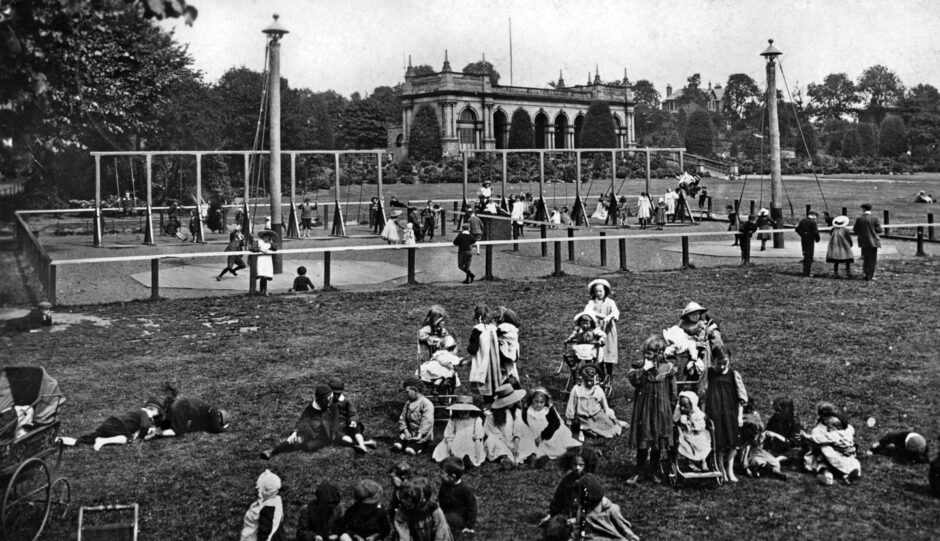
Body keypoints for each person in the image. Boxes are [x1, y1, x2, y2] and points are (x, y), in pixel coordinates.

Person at [625, 335, 677, 485]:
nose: (645, 355)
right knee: (644, 437)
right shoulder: (640, 366)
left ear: (659, 353)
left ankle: (653, 471)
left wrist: (673, 405)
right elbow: (634, 380)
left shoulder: (667, 367)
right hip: (645, 408)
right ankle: (639, 471)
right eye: (645, 352)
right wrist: (644, 369)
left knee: (658, 440)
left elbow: (672, 389)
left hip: (661, 408)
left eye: (649, 353)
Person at [698, 346, 748, 483]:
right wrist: (703, 414)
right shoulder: (708, 373)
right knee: (719, 442)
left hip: (730, 412)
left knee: (732, 442)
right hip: (714, 411)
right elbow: (702, 395)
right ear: (713, 361)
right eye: (718, 363)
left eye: (724, 363)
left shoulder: (733, 375)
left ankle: (730, 469)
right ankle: (720, 467)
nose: (721, 366)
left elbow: (741, 397)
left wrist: (739, 416)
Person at [260, 384, 339, 459]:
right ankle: (273, 451)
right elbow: (303, 420)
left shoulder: (332, 407)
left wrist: (333, 434)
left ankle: (294, 445)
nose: (330, 401)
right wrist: (295, 432)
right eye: (329, 399)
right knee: (297, 439)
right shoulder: (311, 408)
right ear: (322, 399)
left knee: (310, 446)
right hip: (311, 431)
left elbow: (335, 422)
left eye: (331, 399)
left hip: (323, 435)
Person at [59, 399, 164, 451]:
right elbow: (144, 426)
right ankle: (102, 441)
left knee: (88, 438)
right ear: (153, 409)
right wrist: (140, 439)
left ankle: (60, 440)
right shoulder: (145, 413)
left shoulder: (136, 412)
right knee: (125, 439)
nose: (155, 416)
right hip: (120, 425)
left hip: (110, 422)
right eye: (157, 413)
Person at [802, 403, 860, 485]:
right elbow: (816, 442)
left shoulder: (840, 425)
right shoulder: (818, 430)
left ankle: (844, 475)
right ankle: (833, 477)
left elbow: (849, 436)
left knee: (847, 462)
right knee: (825, 454)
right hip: (826, 456)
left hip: (842, 454)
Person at [521, 387, 580, 464]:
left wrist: (542, 436)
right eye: (536, 401)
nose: (539, 405)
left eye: (541, 402)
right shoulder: (527, 410)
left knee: (558, 447)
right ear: (532, 400)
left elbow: (555, 424)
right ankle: (536, 456)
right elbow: (524, 424)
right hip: (533, 435)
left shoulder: (548, 409)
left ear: (545, 402)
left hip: (550, 434)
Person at [573, 474, 640, 541]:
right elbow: (578, 529)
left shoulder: (611, 509)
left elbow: (625, 529)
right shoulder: (582, 509)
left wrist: (633, 538)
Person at [566, 364, 622, 440]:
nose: (589, 383)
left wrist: (614, 419)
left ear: (595, 379)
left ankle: (589, 430)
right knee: (583, 425)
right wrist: (569, 422)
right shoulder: (577, 389)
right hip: (583, 418)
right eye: (586, 381)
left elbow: (606, 408)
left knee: (611, 428)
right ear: (582, 379)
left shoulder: (598, 390)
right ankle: (585, 429)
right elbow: (571, 407)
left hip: (597, 416)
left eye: (591, 381)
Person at [484, 383, 534, 468]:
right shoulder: (491, 416)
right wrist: (509, 446)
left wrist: (515, 445)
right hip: (502, 441)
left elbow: (518, 429)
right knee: (492, 441)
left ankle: (531, 457)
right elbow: (495, 434)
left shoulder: (517, 412)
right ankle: (505, 459)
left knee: (527, 434)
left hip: (515, 440)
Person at [155, 383, 229, 437]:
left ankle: (154, 429)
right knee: (178, 432)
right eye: (219, 421)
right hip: (182, 407)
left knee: (168, 424)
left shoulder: (206, 415)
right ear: (220, 416)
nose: (217, 421)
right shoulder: (214, 411)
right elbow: (216, 428)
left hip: (180, 405)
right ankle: (155, 432)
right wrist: (224, 428)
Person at [582, 279, 619, 384]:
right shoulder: (591, 303)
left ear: (605, 291)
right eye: (596, 291)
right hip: (596, 331)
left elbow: (615, 312)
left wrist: (610, 317)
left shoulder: (610, 302)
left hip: (608, 331)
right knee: (598, 354)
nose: (599, 293)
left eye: (601, 291)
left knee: (609, 353)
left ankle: (610, 377)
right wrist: (600, 316)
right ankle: (601, 376)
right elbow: (587, 312)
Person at [327, 377, 377, 454]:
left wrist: (353, 420)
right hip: (337, 427)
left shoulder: (346, 401)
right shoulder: (328, 402)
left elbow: (353, 413)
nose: (336, 396)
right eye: (334, 393)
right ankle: (364, 444)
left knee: (356, 429)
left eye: (338, 393)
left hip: (347, 424)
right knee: (341, 437)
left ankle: (361, 445)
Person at [432, 396, 485, 468]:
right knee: (444, 448)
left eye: (466, 411)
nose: (463, 413)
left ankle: (468, 461)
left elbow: (478, 436)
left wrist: (478, 454)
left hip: (471, 440)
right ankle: (453, 459)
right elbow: (449, 434)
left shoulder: (476, 419)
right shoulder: (454, 419)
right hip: (456, 439)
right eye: (461, 411)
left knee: (470, 449)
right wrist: (450, 449)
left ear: (471, 410)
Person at [467, 304, 503, 397]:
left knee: (485, 383)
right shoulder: (493, 328)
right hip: (494, 362)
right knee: (494, 382)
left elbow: (473, 349)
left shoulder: (477, 329)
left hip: (484, 362)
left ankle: (487, 403)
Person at [437, 457, 478, 539]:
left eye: (442, 473)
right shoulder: (444, 486)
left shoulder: (465, 489)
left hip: (459, 516)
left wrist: (469, 526)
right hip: (446, 512)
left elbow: (472, 508)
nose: (439, 475)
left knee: (448, 521)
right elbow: (440, 500)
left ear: (452, 477)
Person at [393, 377, 435, 455]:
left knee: (409, 450)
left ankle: (419, 446)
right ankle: (405, 443)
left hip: (422, 435)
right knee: (397, 446)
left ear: (415, 390)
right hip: (409, 432)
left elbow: (427, 421)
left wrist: (420, 434)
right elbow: (402, 417)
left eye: (407, 392)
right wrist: (405, 430)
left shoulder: (426, 404)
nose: (406, 394)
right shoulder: (408, 403)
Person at [240, 470, 285, 541]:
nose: (258, 490)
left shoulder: (269, 508)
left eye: (259, 488)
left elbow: (266, 533)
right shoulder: (269, 502)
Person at [674, 391, 711, 468]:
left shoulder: (697, 413)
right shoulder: (680, 411)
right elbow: (675, 419)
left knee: (703, 443)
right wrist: (681, 421)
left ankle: (703, 461)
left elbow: (701, 424)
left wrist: (695, 427)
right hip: (685, 434)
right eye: (681, 405)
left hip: (696, 433)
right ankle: (690, 462)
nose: (682, 408)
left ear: (692, 406)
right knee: (687, 446)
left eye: (685, 406)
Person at [853, 203, 883, 281]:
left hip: (863, 242)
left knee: (866, 258)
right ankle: (870, 276)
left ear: (863, 209)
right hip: (873, 242)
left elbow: (855, 230)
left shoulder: (859, 219)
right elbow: (879, 230)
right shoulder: (875, 218)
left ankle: (866, 274)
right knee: (872, 259)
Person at [495, 307, 522, 382]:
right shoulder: (514, 328)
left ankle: (506, 386)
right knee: (512, 370)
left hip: (505, 353)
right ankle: (515, 384)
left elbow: (496, 333)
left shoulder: (503, 327)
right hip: (513, 352)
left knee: (505, 372)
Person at [795, 210, 821, 277]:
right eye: (815, 216)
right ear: (813, 215)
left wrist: (803, 235)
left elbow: (797, 229)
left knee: (805, 254)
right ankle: (807, 272)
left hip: (803, 239)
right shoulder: (813, 222)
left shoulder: (802, 221)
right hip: (810, 240)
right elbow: (815, 232)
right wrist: (817, 239)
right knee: (809, 256)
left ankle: (805, 271)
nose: (816, 218)